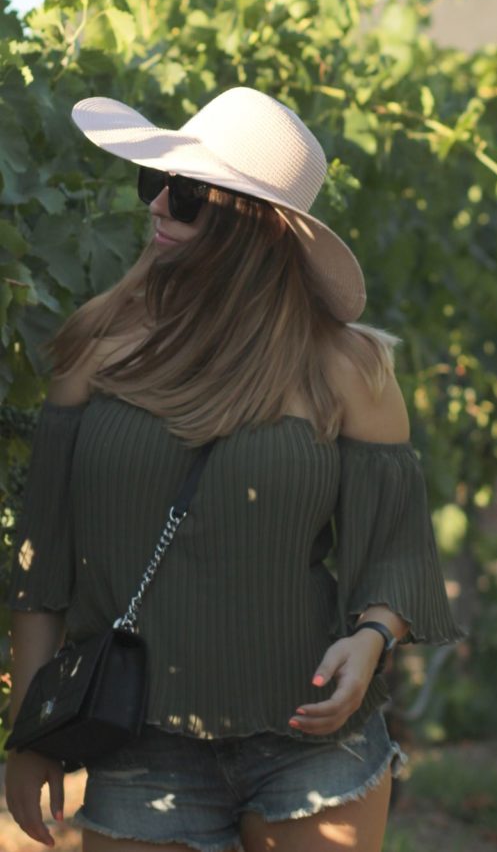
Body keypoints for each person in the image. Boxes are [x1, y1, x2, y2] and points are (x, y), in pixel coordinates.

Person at [4, 85, 465, 852]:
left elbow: (394, 547)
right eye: (155, 184)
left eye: (184, 196)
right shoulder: (99, 347)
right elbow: (41, 560)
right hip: (134, 743)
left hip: (313, 740)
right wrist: (30, 732)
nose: (155, 208)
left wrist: (373, 636)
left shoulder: (349, 370)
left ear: (255, 229)